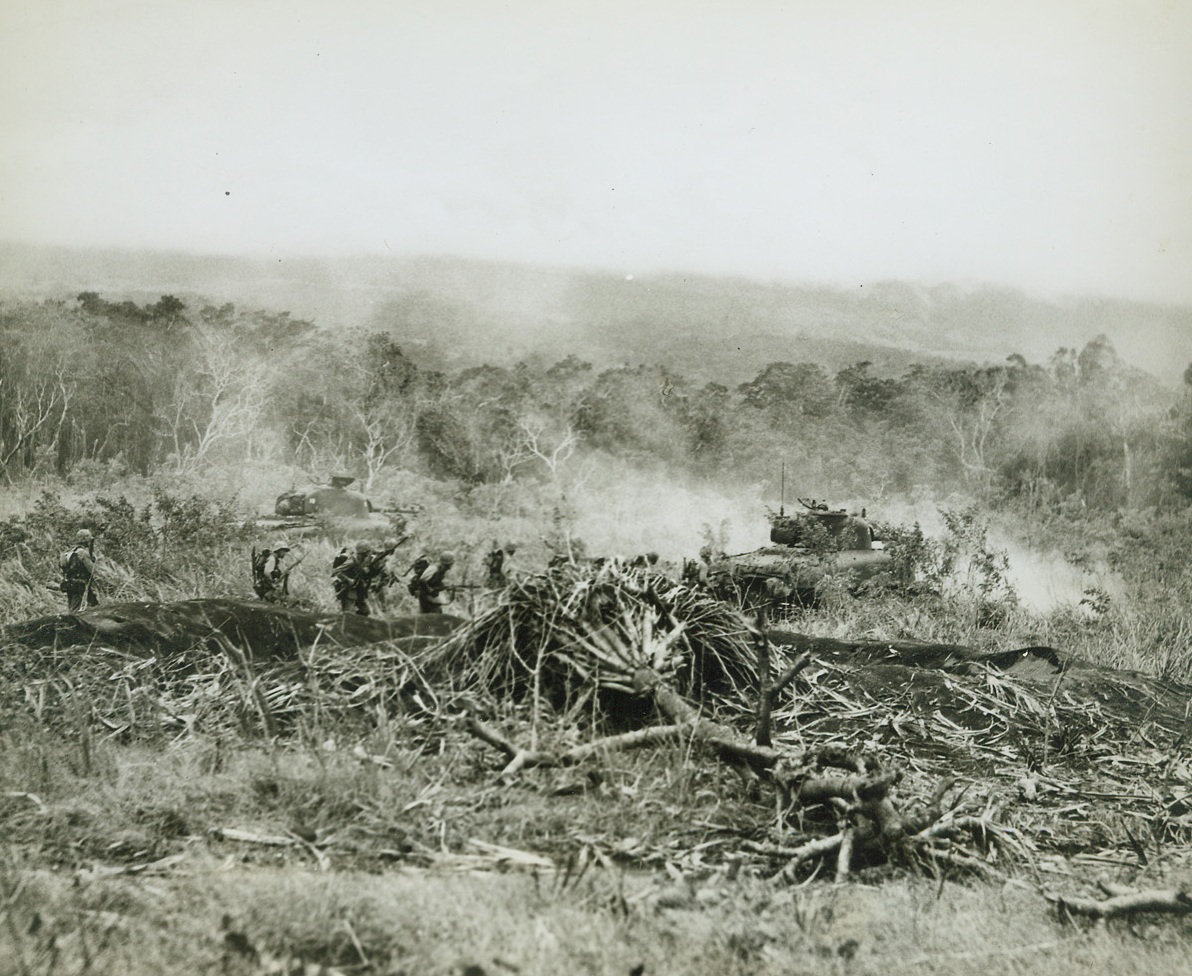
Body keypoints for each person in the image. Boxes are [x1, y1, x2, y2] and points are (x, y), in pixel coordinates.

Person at [59, 528, 99, 612]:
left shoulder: (68, 552)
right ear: (85, 540)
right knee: (77, 611)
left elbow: (62, 567)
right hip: (81, 585)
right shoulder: (83, 553)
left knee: (75, 607)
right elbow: (92, 571)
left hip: (69, 584)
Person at [331, 540, 373, 615]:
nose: (369, 553)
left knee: (365, 612)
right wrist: (348, 580)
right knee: (348, 614)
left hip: (359, 589)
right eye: (368, 551)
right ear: (364, 552)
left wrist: (364, 571)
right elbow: (336, 571)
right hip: (349, 590)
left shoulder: (364, 560)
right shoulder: (352, 560)